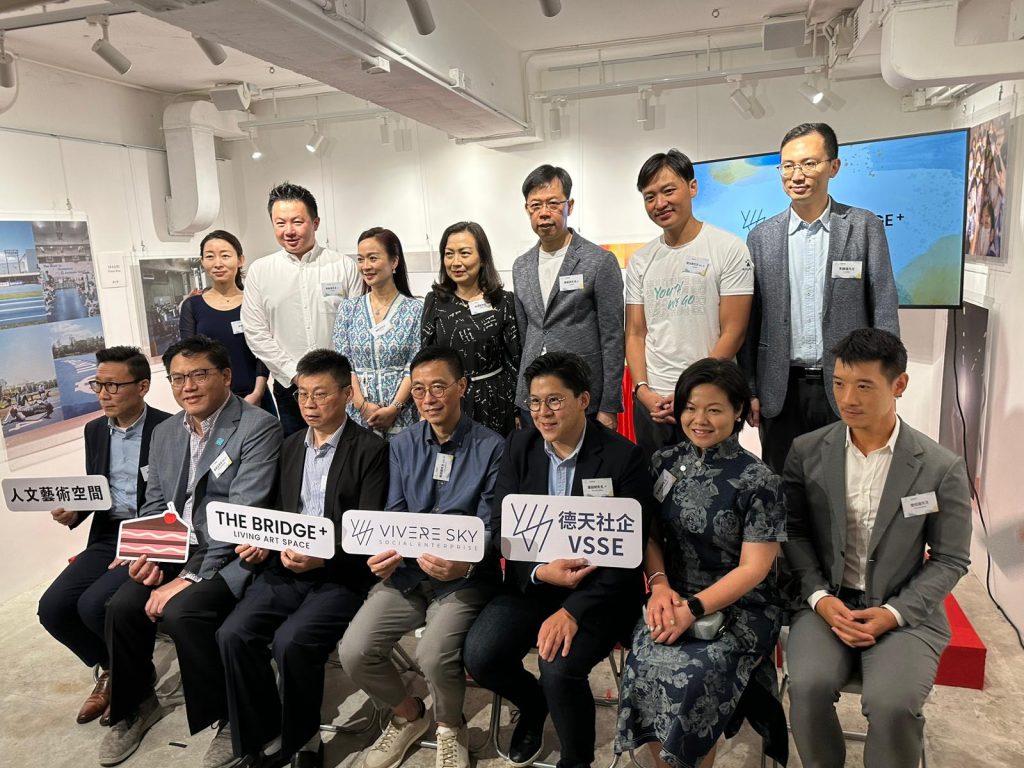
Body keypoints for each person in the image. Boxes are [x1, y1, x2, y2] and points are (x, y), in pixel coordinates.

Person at [782, 328, 971, 768]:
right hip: (826, 604)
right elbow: (793, 532)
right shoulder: (807, 451)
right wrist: (819, 597)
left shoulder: (939, 467)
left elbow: (950, 558)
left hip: (904, 611)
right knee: (807, 687)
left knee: (892, 704)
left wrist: (894, 613)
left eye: (864, 386)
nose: (847, 399)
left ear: (899, 385)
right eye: (839, 383)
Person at [100, 335, 282, 768]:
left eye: (199, 375)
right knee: (121, 606)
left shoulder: (257, 427)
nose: (188, 386)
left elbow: (241, 515)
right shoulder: (165, 432)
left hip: (231, 552)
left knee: (185, 611)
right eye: (178, 378)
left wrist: (190, 577)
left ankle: (230, 718)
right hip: (175, 544)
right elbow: (154, 504)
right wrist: (146, 553)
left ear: (226, 376)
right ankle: (136, 704)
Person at [464, 351, 653, 768]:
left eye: (554, 400)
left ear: (583, 400)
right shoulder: (520, 446)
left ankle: (576, 759)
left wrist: (573, 610)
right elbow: (503, 526)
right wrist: (539, 572)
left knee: (558, 666)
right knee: (480, 656)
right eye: (534, 402)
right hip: (534, 582)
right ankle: (534, 705)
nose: (542, 413)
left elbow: (630, 551)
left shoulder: (622, 457)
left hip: (599, 593)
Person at [217, 349, 389, 768]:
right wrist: (262, 542)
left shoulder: (371, 449)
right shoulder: (290, 445)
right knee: (233, 634)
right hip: (286, 567)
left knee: (291, 642)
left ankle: (302, 740)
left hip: (341, 574)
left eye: (321, 394)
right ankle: (262, 735)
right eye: (302, 394)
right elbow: (276, 512)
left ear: (346, 394)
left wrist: (322, 559)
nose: (309, 404)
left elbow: (367, 530)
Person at [615, 358, 788, 768]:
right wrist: (659, 586)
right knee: (643, 662)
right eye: (691, 408)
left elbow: (754, 569)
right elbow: (649, 534)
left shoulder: (759, 480)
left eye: (714, 409)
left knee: (695, 678)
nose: (700, 420)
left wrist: (692, 609)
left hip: (742, 607)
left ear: (738, 411)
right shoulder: (663, 462)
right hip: (670, 595)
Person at [338, 345, 505, 768]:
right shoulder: (402, 444)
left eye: (438, 387)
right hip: (409, 574)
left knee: (433, 653)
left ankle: (450, 726)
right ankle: (408, 715)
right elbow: (393, 513)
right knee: (354, 650)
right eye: (418, 390)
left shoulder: (492, 447)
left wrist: (465, 563)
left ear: (462, 387)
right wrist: (384, 554)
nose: (428, 399)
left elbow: (492, 526)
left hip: (464, 577)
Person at [740, 122, 901, 474]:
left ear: (833, 166)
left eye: (809, 163)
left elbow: (884, 306)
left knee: (847, 480)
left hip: (848, 384)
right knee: (783, 484)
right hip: (780, 388)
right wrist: (749, 388)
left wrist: (887, 379)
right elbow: (751, 323)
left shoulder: (864, 226)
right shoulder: (761, 237)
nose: (796, 175)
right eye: (788, 166)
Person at [37, 346, 170, 726]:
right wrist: (76, 510)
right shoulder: (95, 430)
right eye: (98, 384)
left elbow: (176, 498)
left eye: (113, 385)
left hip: (150, 533)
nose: (103, 394)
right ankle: (114, 668)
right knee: (53, 608)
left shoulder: (168, 429)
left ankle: (132, 687)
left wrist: (149, 540)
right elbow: (99, 487)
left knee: (95, 605)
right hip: (108, 532)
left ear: (142, 386)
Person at [625, 150, 754, 459]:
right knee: (656, 484)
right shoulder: (641, 260)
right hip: (654, 404)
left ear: (692, 187)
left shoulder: (729, 249)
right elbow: (635, 333)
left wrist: (689, 394)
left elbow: (733, 332)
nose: (660, 203)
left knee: (713, 484)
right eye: (649, 197)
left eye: (668, 191)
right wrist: (642, 390)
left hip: (708, 402)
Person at [242, 182, 363, 436]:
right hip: (290, 388)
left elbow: (356, 328)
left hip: (340, 387)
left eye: (297, 222)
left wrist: (334, 377)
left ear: (315, 223)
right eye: (280, 223)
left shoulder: (343, 266)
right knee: (297, 452)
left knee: (346, 450)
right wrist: (297, 375)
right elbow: (256, 333)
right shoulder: (260, 272)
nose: (289, 231)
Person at [512, 166, 624, 430]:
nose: (544, 213)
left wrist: (609, 405)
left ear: (569, 206)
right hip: (533, 399)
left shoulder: (599, 261)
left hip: (581, 395)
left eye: (553, 203)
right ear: (527, 209)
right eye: (535, 205)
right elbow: (525, 334)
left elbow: (613, 337)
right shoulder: (521, 266)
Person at [421, 221, 521, 436]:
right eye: (449, 254)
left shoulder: (503, 301)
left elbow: (514, 360)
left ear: (483, 258)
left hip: (495, 399)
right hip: (448, 400)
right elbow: (426, 358)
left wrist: (518, 409)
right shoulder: (435, 301)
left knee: (495, 453)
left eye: (464, 253)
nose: (456, 262)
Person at [333, 227, 422, 438]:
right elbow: (344, 364)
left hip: (402, 416)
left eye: (373, 258)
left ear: (394, 262)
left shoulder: (416, 309)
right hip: (358, 415)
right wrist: (362, 406)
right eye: (360, 259)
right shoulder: (348, 309)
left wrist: (394, 408)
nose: (365, 266)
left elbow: (415, 365)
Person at [180, 230, 274, 414]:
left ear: (240, 260)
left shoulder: (255, 302)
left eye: (225, 256)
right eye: (210, 257)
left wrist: (257, 393)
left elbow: (265, 352)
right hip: (211, 400)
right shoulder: (192, 306)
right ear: (202, 262)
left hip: (255, 397)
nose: (218, 264)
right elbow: (188, 356)